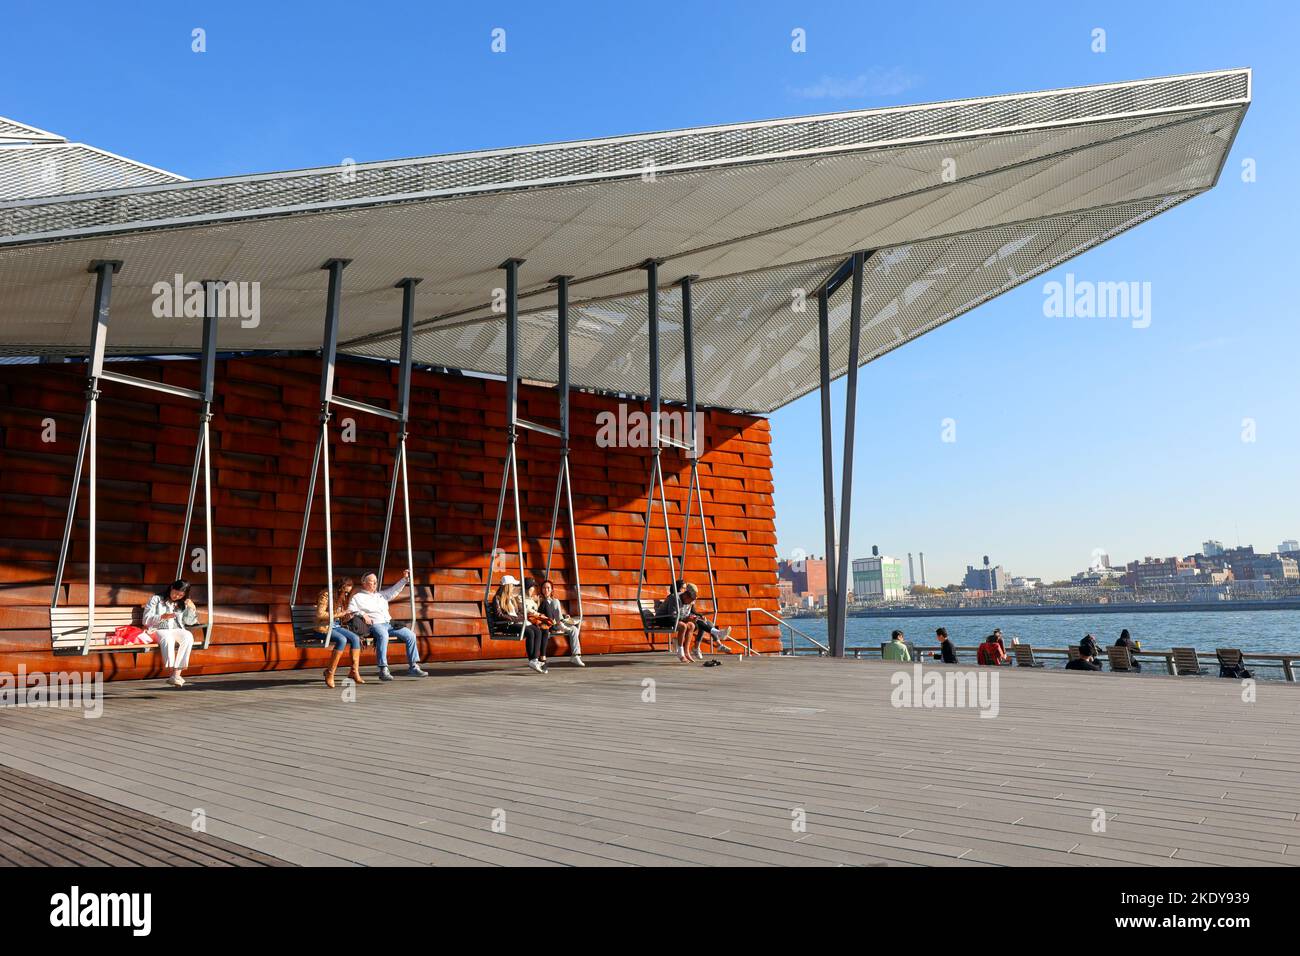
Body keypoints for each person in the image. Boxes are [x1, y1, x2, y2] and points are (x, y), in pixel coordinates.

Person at [349, 569, 426, 681]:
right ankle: (383, 669)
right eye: (372, 581)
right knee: (383, 636)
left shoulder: (381, 595)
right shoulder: (358, 597)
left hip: (389, 623)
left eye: (376, 581)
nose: (375, 583)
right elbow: (350, 610)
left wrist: (404, 579)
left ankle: (413, 666)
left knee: (411, 635)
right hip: (376, 625)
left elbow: (394, 590)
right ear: (364, 583)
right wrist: (362, 614)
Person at [143, 580, 199, 687]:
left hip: (177, 629)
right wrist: (162, 617)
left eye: (180, 595)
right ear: (171, 587)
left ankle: (176, 674)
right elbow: (145, 620)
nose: (176, 596)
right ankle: (173, 674)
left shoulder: (182, 602)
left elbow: (189, 622)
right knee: (168, 638)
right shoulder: (156, 599)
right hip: (159, 629)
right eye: (175, 592)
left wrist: (192, 609)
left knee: (188, 636)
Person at [492, 575, 548, 672]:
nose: (514, 587)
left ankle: (534, 659)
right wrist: (515, 618)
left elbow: (517, 612)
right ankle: (533, 660)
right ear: (508, 586)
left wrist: (521, 617)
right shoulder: (497, 598)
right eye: (513, 585)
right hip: (507, 624)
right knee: (529, 632)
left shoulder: (511, 598)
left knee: (537, 630)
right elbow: (499, 615)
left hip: (516, 622)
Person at [316, 576, 364, 688]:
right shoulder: (326, 594)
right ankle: (330, 673)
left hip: (336, 626)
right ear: (341, 587)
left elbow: (340, 616)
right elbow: (320, 614)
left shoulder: (340, 596)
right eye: (346, 591)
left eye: (348, 593)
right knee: (342, 639)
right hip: (323, 628)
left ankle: (354, 671)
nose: (346, 594)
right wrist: (340, 614)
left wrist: (347, 616)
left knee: (355, 638)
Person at [678, 582, 732, 655]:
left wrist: (700, 615)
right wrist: (692, 617)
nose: (684, 590)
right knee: (702, 623)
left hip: (688, 617)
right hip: (682, 619)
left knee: (707, 622)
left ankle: (716, 643)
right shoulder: (678, 597)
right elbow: (680, 613)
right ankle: (717, 638)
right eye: (683, 588)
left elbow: (693, 610)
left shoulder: (689, 598)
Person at [539, 579, 584, 667]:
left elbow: (556, 613)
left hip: (558, 623)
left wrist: (564, 616)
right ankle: (561, 624)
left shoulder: (553, 600)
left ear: (552, 590)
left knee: (574, 629)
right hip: (549, 624)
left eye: (548, 588)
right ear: (541, 589)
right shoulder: (540, 600)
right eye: (544, 588)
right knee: (556, 602)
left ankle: (576, 655)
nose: (546, 590)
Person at [651, 581, 694, 662]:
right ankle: (680, 653)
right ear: (686, 596)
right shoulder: (674, 598)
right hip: (663, 618)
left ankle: (686, 651)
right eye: (689, 601)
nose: (689, 604)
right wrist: (686, 619)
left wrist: (689, 618)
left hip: (674, 618)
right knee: (683, 626)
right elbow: (672, 616)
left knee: (692, 625)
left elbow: (684, 614)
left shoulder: (688, 601)